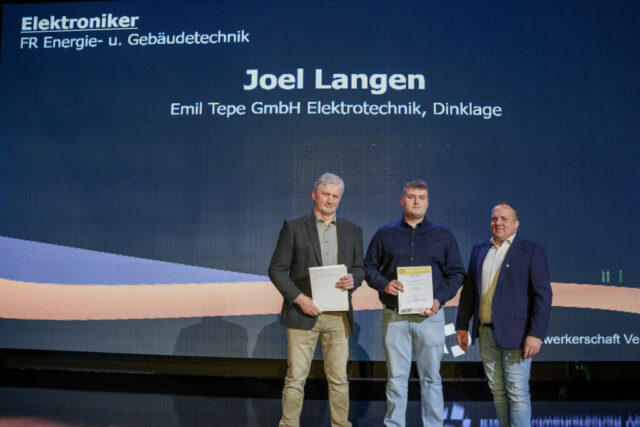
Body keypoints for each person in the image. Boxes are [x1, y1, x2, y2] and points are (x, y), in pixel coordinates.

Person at [364, 179, 465, 426]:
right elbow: (369, 268)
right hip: (394, 316)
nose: (416, 201)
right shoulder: (385, 234)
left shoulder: (443, 235)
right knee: (396, 379)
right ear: (402, 200)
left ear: (428, 202)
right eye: (411, 197)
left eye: (421, 197)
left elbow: (456, 274)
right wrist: (384, 284)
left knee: (431, 378)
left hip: (430, 317)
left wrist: (439, 300)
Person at [268, 172, 365, 427]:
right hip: (303, 313)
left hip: (337, 315)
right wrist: (300, 299)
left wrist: (354, 279)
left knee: (339, 380)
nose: (330, 200)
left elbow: (360, 268)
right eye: (325, 194)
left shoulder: (353, 230)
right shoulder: (294, 227)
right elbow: (276, 269)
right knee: (296, 378)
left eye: (335, 196)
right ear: (315, 195)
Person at [456, 202, 552, 426]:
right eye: (494, 219)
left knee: (517, 392)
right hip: (485, 332)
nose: (498, 223)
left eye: (504, 219)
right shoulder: (479, 250)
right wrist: (462, 324)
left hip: (517, 335)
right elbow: (469, 291)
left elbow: (543, 296)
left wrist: (536, 334)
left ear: (516, 224)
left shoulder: (531, 251)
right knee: (498, 391)